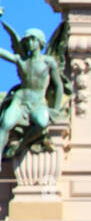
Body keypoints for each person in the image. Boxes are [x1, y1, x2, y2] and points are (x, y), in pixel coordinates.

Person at [0, 9, 64, 158]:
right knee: (5, 124)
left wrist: (56, 109)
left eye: (33, 39)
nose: (29, 43)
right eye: (27, 40)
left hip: (38, 102)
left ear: (40, 42)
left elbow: (59, 86)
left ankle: (21, 146)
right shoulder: (22, 61)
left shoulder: (48, 62)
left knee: (42, 124)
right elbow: (2, 52)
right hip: (20, 101)